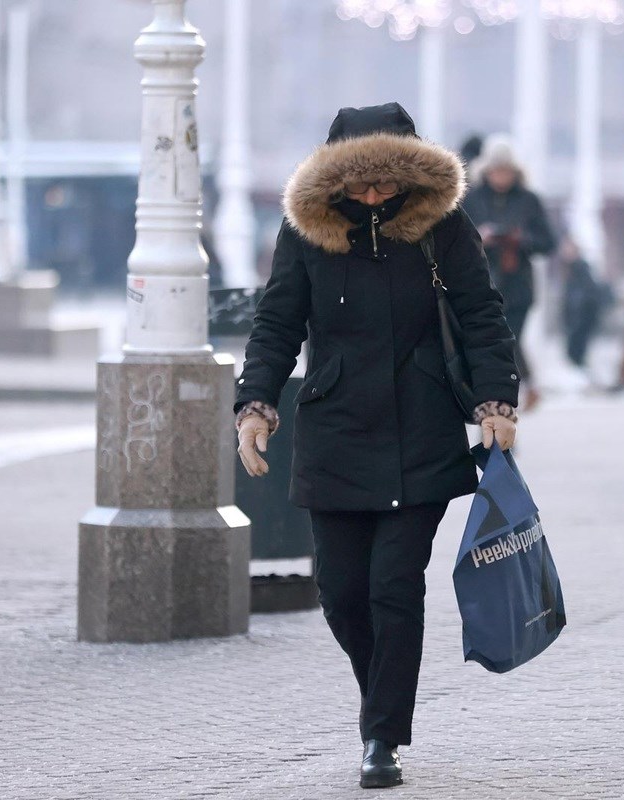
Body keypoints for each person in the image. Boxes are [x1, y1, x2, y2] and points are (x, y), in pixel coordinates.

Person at [232, 103, 520, 790]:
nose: (372, 198)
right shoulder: (306, 232)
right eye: (359, 187)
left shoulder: (441, 229)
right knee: (340, 594)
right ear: (333, 182)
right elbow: (277, 323)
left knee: (393, 585)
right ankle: (381, 700)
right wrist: (256, 405)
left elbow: (482, 314)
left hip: (421, 427)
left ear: (409, 178)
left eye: (385, 185)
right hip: (333, 431)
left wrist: (496, 402)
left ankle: (381, 736)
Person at [463, 134, 557, 409]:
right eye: (495, 171)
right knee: (493, 348)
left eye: (505, 171)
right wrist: (481, 237)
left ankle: (503, 410)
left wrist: (520, 239)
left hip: (517, 289)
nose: (500, 177)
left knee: (507, 345)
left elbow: (548, 242)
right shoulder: (471, 199)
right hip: (481, 286)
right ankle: (504, 403)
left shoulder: (529, 200)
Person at [558, 238, 607, 386]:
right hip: (575, 317)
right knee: (574, 352)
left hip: (580, 318)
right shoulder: (570, 268)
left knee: (577, 351)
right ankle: (581, 379)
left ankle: (583, 380)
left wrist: (577, 314)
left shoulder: (581, 267)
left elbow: (585, 294)